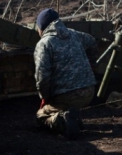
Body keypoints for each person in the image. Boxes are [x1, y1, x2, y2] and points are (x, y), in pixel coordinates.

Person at [34, 8, 99, 140]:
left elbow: (42, 77)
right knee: (67, 104)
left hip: (67, 96)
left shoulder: (44, 43)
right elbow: (92, 41)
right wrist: (91, 65)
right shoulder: (75, 34)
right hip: (89, 91)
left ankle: (64, 122)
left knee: (41, 115)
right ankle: (72, 117)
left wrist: (45, 96)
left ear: (42, 26)